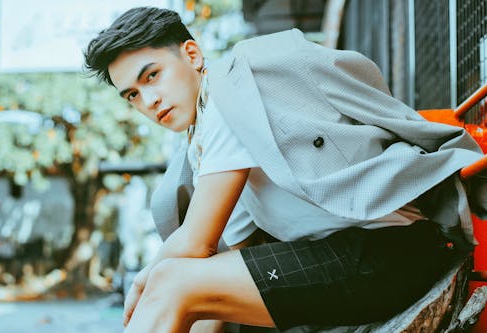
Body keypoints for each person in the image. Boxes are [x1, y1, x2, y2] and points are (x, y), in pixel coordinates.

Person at [83, 6, 487, 333]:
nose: (149, 100)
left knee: (170, 279)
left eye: (152, 75)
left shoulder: (228, 95)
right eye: (133, 95)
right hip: (350, 255)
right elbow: (211, 264)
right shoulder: (207, 142)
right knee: (179, 284)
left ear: (191, 55)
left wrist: (145, 280)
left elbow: (193, 242)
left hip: (387, 252)